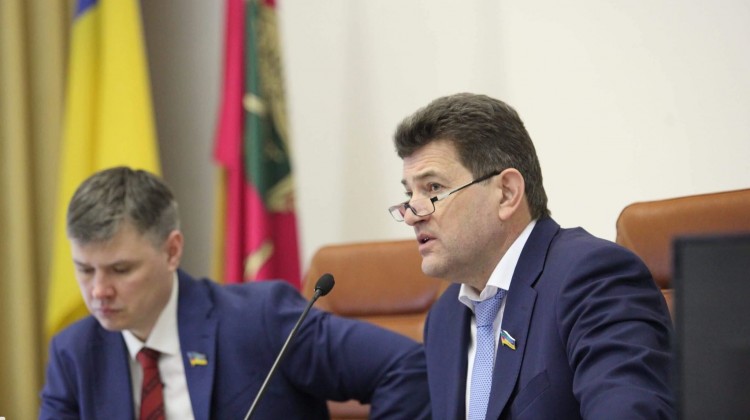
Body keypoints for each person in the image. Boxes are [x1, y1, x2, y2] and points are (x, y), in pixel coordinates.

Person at [40, 166, 430, 419]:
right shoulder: (74, 353)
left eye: (121, 270)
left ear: (172, 251)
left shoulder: (260, 319)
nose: (98, 291)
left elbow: (407, 366)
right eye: (84, 270)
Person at [388, 93, 674, 419]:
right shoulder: (445, 317)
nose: (412, 215)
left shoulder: (594, 278)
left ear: (507, 193)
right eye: (409, 194)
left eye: (433, 188)